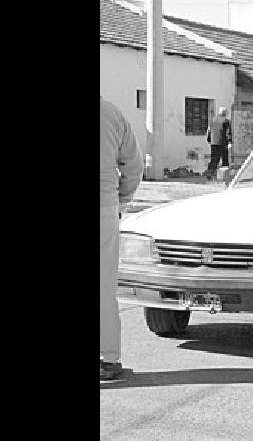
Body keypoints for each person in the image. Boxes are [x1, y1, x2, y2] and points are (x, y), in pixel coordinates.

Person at [101, 96, 144, 381]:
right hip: (104, 206)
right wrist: (120, 200)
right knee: (104, 286)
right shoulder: (111, 113)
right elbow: (134, 165)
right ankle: (109, 359)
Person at [205, 107, 233, 179]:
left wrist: (209, 140)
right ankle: (224, 176)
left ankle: (210, 173)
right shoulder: (226, 121)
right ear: (225, 113)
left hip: (213, 143)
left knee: (214, 159)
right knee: (225, 160)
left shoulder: (213, 120)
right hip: (223, 143)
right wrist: (229, 142)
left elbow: (209, 131)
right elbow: (228, 132)